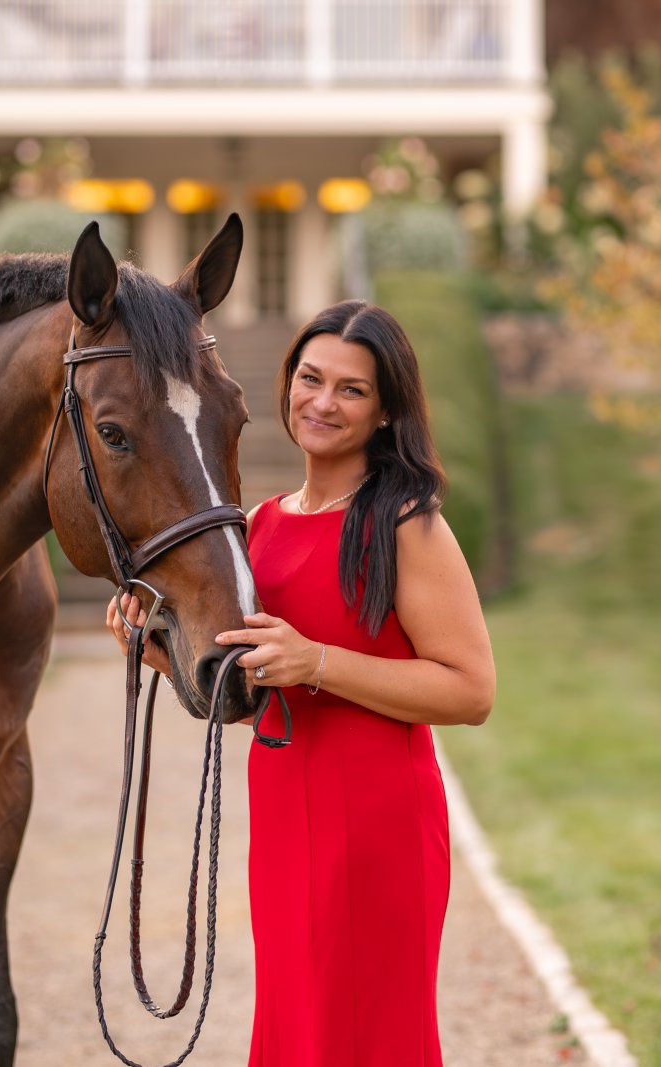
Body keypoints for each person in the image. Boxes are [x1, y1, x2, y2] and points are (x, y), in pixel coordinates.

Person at [107, 299, 495, 1066]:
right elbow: (255, 696)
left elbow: (470, 689)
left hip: (377, 823)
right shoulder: (262, 526)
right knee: (301, 1028)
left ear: (386, 412)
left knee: (366, 1031)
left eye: (351, 389)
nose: (322, 401)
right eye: (311, 378)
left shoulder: (406, 523)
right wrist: (149, 653)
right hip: (285, 813)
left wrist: (317, 661)